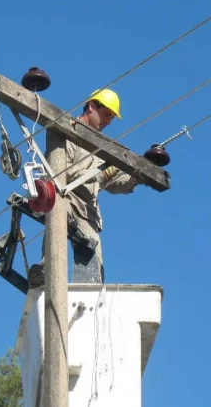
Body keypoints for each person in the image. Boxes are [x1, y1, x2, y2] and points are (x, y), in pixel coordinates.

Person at [28, 88, 142, 286]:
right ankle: (44, 273)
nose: (108, 121)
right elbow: (58, 172)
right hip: (66, 199)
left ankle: (90, 295)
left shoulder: (102, 147)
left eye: (112, 118)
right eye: (106, 114)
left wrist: (136, 177)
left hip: (88, 212)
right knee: (56, 235)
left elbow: (114, 185)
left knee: (95, 265)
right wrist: (100, 175)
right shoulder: (67, 131)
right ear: (91, 107)